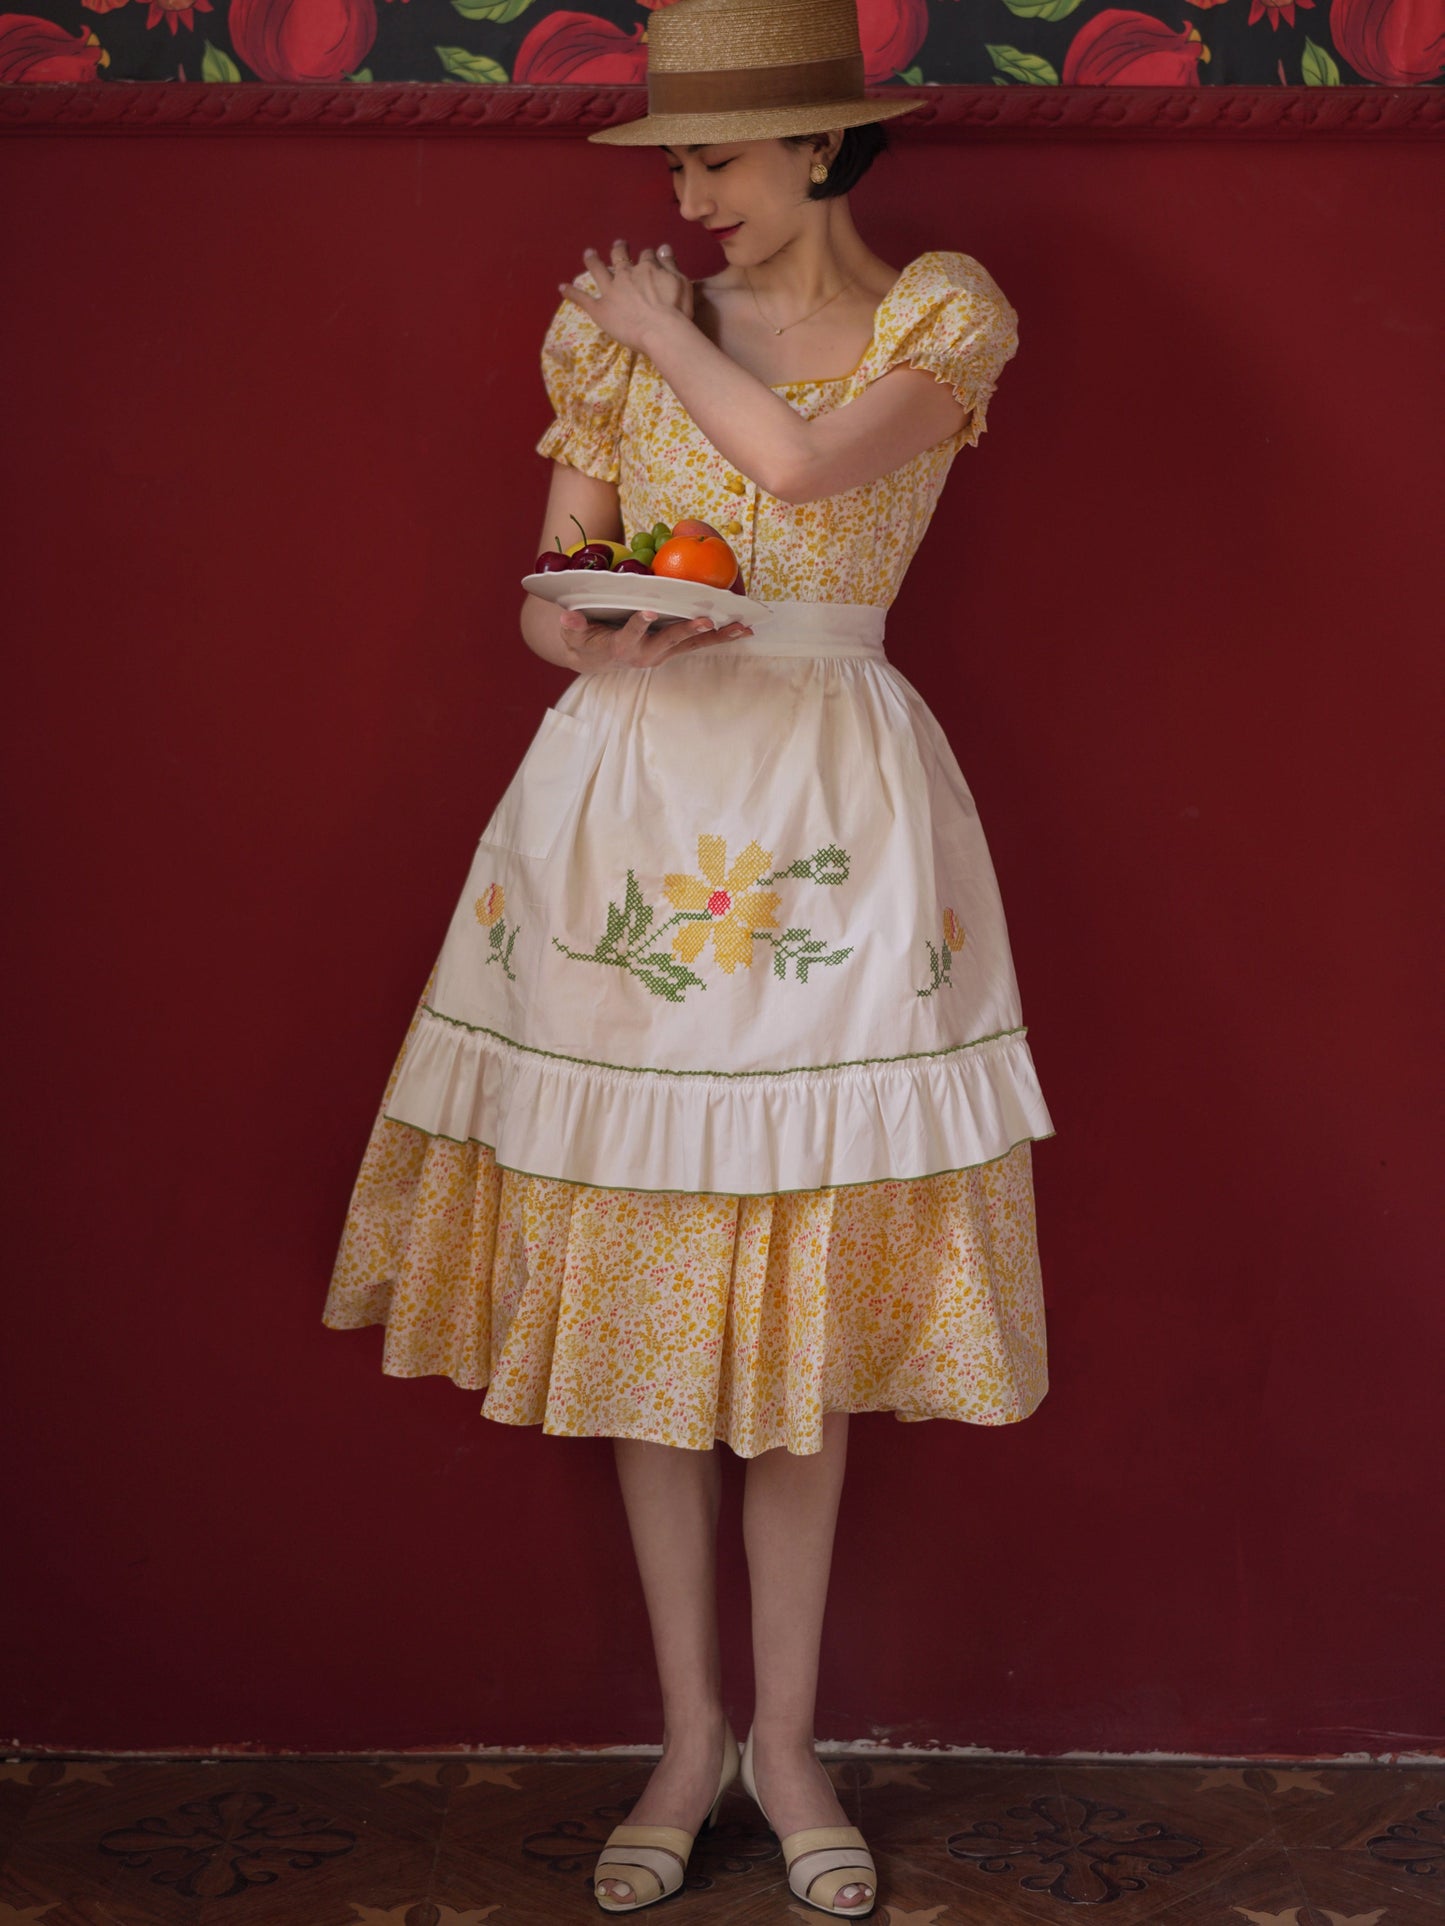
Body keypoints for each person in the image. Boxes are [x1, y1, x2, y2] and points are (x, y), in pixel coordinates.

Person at [322, 0, 1056, 1913]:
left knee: (794, 1308)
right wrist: (591, 641)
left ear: (820, 149)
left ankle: (791, 1741)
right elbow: (552, 578)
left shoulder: (940, 314)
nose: (682, 198)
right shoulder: (607, 334)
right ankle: (684, 1734)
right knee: (652, 1302)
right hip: (632, 807)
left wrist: (661, 334)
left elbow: (805, 485)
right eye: (669, 167)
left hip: (832, 804)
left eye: (712, 161)